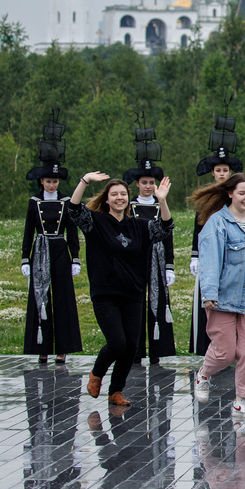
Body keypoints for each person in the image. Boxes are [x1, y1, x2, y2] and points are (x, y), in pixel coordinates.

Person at [68, 172, 174, 406]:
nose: (119, 198)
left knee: (131, 347)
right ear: (107, 199)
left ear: (128, 198)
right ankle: (97, 373)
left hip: (134, 293)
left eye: (123, 194)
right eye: (114, 194)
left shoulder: (140, 226)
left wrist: (162, 200)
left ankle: (116, 391)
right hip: (105, 294)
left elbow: (165, 228)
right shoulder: (95, 222)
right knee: (117, 341)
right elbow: (73, 209)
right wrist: (84, 181)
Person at [192, 173, 245, 418]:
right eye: (242, 193)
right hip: (223, 297)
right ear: (230, 194)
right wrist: (209, 293)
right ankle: (204, 374)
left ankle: (242, 400)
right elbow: (210, 261)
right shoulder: (216, 223)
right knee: (225, 352)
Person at [21, 109, 82, 364]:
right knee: (40, 295)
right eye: (47, 181)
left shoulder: (66, 202)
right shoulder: (34, 203)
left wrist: (76, 257)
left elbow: (72, 231)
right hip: (41, 250)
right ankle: (41, 345)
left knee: (63, 298)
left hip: (60, 251)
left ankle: (63, 347)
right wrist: (25, 258)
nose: (51, 185)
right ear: (41, 182)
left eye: (55, 181)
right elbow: (27, 232)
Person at [190, 111, 244, 356]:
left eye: (226, 170)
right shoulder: (208, 198)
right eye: (218, 171)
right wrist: (195, 255)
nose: (222, 174)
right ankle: (207, 347)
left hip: (234, 255)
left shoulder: (238, 196)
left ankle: (231, 347)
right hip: (211, 254)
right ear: (213, 173)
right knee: (210, 298)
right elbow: (198, 226)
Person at [123, 120, 175, 365]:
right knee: (134, 303)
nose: (147, 186)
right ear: (136, 184)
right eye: (143, 183)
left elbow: (168, 235)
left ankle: (158, 350)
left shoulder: (160, 205)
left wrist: (170, 265)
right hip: (134, 259)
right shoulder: (129, 206)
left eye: (151, 183)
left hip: (156, 258)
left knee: (158, 300)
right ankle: (134, 351)